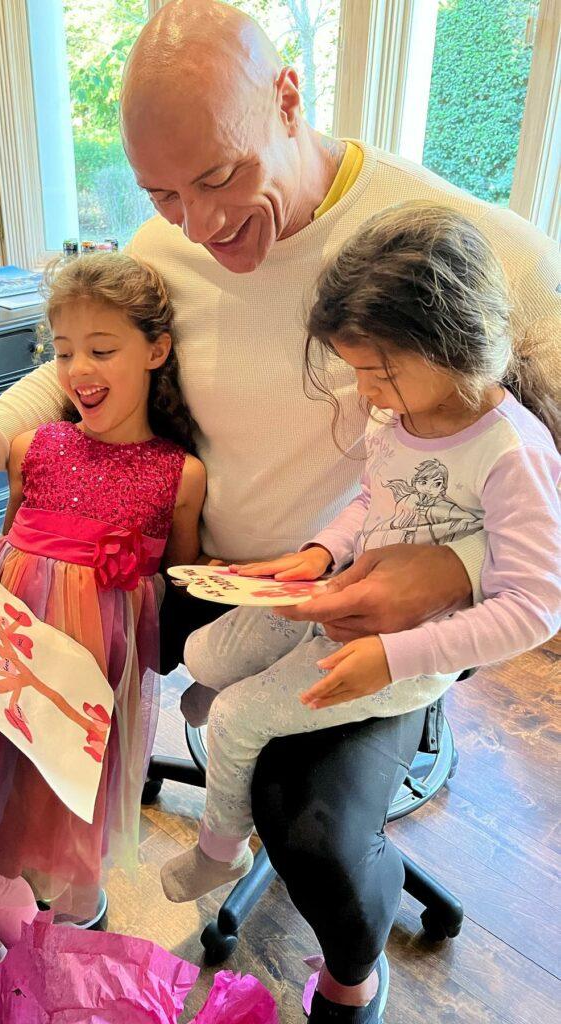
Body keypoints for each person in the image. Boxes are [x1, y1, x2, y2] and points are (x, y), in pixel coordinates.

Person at [0, 2, 560, 1018]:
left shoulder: (441, 237)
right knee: (32, 672)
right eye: (163, 190)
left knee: (315, 828)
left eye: (218, 178)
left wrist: (455, 572)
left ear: (289, 99)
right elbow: (78, 365)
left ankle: (350, 975)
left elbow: (533, 467)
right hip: (215, 568)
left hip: (377, 596)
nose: (198, 223)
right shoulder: (169, 241)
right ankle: (57, 899)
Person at [159, 207, 561, 953]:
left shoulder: (513, 454)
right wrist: (319, 552)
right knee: (204, 657)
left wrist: (392, 659)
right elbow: (374, 502)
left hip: (409, 650)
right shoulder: (397, 416)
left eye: (379, 370)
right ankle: (259, 720)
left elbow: (535, 609)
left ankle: (221, 848)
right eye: (356, 370)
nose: (366, 391)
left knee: (236, 714)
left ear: (455, 344)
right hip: (342, 595)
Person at [0, 253, 205, 976]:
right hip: (11, 661)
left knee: (65, 802)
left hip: (92, 677)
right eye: (64, 350)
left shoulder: (179, 474)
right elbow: (6, 555)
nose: (79, 367)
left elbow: (179, 586)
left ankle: (67, 936)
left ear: (156, 350)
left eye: (102, 349)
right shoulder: (33, 447)